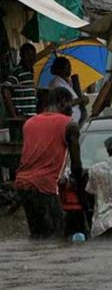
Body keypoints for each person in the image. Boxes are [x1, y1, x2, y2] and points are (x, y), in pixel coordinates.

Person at [13, 87, 82, 239]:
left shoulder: (29, 123)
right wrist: (81, 190)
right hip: (45, 185)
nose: (72, 109)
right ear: (63, 102)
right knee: (56, 235)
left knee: (37, 233)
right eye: (71, 105)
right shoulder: (69, 125)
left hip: (22, 183)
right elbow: (77, 166)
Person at [2, 43, 38, 121]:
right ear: (23, 56)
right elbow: (5, 89)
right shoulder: (18, 72)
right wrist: (14, 115)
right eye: (29, 55)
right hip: (22, 118)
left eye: (33, 55)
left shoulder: (30, 73)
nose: (33, 58)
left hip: (31, 118)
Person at [48, 57, 88, 125]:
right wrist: (80, 100)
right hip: (66, 123)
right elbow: (63, 104)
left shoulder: (67, 82)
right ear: (59, 69)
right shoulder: (56, 83)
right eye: (67, 67)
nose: (69, 69)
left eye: (70, 67)